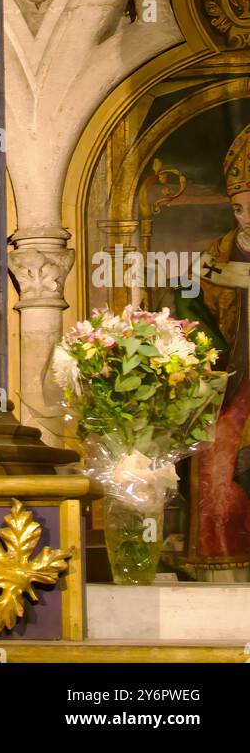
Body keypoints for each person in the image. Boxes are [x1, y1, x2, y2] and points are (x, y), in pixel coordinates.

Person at [177, 122, 250, 575]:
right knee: (220, 453)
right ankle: (228, 565)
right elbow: (195, 324)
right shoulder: (213, 260)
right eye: (240, 207)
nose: (247, 217)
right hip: (233, 384)